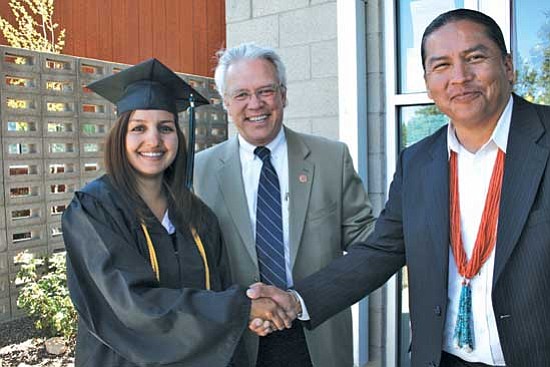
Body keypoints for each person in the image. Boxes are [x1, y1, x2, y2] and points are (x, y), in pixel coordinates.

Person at [248, 8, 550, 367]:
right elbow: (379, 251)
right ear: (426, 81)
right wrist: (297, 300)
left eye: (475, 58)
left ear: (508, 67)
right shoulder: (418, 162)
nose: (460, 77)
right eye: (441, 66)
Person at [62, 58, 290, 367]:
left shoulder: (199, 216)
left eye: (165, 128)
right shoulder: (93, 209)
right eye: (138, 128)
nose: (153, 140)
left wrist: (248, 315)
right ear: (120, 138)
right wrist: (239, 308)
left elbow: (218, 291)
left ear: (178, 138)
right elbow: (131, 305)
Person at [193, 43, 376, 367]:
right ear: (225, 103)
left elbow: (369, 243)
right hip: (236, 342)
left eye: (266, 91)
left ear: (284, 94)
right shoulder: (198, 171)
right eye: (241, 95)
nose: (255, 104)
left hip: (315, 334)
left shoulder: (330, 159)